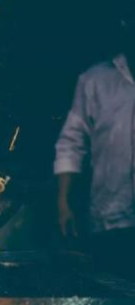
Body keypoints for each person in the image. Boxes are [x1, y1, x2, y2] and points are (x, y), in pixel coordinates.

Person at [54, 4, 135, 276]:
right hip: (109, 220)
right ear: (126, 24)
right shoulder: (95, 81)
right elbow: (71, 144)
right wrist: (63, 202)